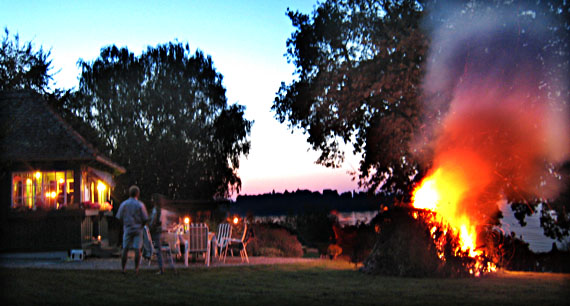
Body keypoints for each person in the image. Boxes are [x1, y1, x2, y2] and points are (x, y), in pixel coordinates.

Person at [116, 185, 148, 274]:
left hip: (127, 228)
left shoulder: (124, 204)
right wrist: (141, 225)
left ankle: (123, 269)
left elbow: (119, 217)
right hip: (138, 228)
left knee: (125, 248)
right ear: (137, 194)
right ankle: (136, 269)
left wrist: (124, 224)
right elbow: (145, 218)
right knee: (137, 249)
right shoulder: (140, 205)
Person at [148, 193, 165, 274]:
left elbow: (154, 220)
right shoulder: (159, 209)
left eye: (152, 199)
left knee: (158, 250)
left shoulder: (156, 209)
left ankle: (161, 269)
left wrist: (150, 227)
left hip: (155, 231)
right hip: (158, 231)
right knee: (158, 250)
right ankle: (161, 268)